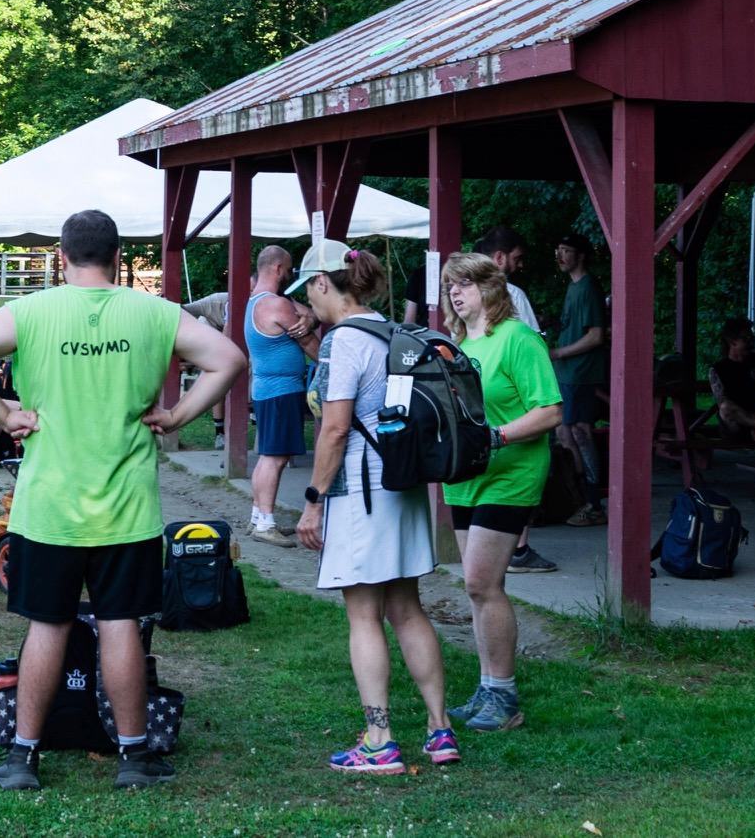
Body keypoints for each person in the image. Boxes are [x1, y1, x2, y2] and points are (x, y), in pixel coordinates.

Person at [0, 210, 240, 791]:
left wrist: (6, 415)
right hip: (125, 506)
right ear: (118, 258)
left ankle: (24, 757)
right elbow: (229, 360)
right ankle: (133, 757)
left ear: (62, 257)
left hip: (49, 504)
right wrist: (175, 415)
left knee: (47, 626)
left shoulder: (32, 311)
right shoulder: (154, 312)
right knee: (120, 624)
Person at [290, 241, 457, 773]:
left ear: (322, 283)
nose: (307, 306)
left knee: (363, 613)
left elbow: (336, 427)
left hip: (361, 492)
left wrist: (313, 501)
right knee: (407, 608)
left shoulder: (343, 341)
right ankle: (440, 730)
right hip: (404, 486)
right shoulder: (392, 331)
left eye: (308, 292)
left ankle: (379, 740)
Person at [435, 253, 561, 736]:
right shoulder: (459, 345)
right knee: (475, 587)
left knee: (481, 583)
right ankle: (488, 689)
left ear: (490, 288)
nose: (455, 292)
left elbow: (550, 412)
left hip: (511, 474)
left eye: (464, 283)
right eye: (450, 286)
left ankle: (504, 697)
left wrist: (498, 436)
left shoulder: (518, 339)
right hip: (464, 475)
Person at [472, 226, 556, 572]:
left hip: (481, 405)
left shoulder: (464, 297)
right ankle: (518, 549)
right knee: (515, 471)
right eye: (517, 258)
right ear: (500, 257)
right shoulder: (513, 296)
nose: (519, 266)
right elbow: (534, 347)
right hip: (513, 405)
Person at [240, 244, 320, 548]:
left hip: (266, 389)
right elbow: (312, 346)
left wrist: (309, 319)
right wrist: (331, 362)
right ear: (278, 269)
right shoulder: (277, 305)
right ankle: (266, 523)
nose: (291, 275)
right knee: (275, 458)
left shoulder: (258, 301)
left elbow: (310, 315)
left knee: (268, 456)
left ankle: (258, 517)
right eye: (288, 269)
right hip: (281, 390)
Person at [547, 234, 609, 529]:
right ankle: (580, 496)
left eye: (566, 250)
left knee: (581, 432)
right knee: (564, 432)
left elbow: (596, 335)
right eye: (558, 250)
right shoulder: (573, 287)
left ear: (581, 255)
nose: (559, 255)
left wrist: (558, 352)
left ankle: (594, 503)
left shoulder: (589, 287)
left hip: (582, 372)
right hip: (567, 373)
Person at [708, 317, 755, 465]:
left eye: (752, 338)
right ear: (731, 341)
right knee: (726, 407)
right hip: (734, 427)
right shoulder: (718, 369)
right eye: (746, 339)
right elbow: (723, 404)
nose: (751, 342)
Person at [470, 225, 541, 331]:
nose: (521, 265)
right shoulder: (515, 295)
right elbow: (533, 343)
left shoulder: (462, 293)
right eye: (517, 258)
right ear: (500, 258)